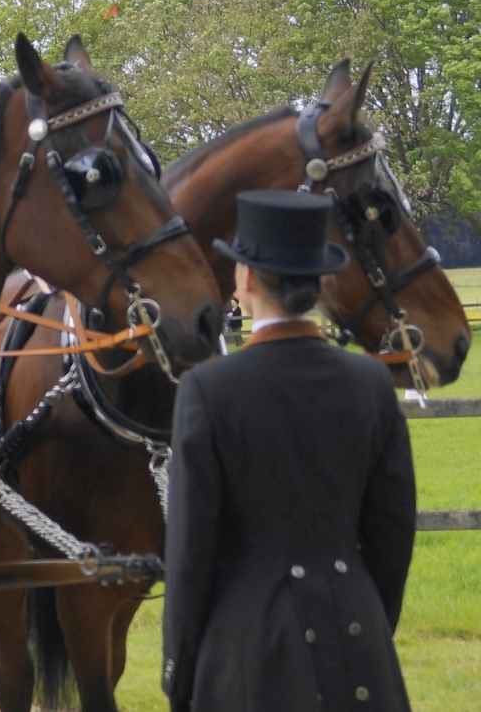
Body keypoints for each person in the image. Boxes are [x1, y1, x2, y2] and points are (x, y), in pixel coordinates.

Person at [162, 190, 416, 712]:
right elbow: (393, 532)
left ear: (247, 280)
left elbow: (191, 551)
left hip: (248, 652)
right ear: (321, 282)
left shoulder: (208, 391)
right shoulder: (370, 381)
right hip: (358, 641)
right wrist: (369, 621)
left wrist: (179, 668)